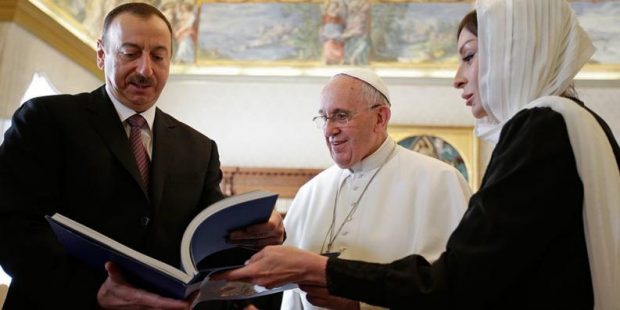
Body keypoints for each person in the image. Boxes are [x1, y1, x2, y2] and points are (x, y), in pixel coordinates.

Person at [214, 0, 620, 309]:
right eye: (324, 117)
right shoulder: (576, 120)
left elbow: (460, 283)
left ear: (380, 118)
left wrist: (325, 274)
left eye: (469, 56)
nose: (458, 78)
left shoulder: (523, 136)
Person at [0, 3, 284, 309]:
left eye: (158, 56)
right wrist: (93, 290)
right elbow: (11, 226)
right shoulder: (47, 120)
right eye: (130, 53)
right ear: (102, 54)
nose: (145, 70)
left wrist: (263, 229)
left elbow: (210, 243)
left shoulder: (199, 149)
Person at [279, 68, 472, 309]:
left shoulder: (440, 182)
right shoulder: (311, 192)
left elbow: (457, 287)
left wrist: (360, 305)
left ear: (380, 118)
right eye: (324, 118)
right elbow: (290, 294)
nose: (329, 130)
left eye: (341, 116)